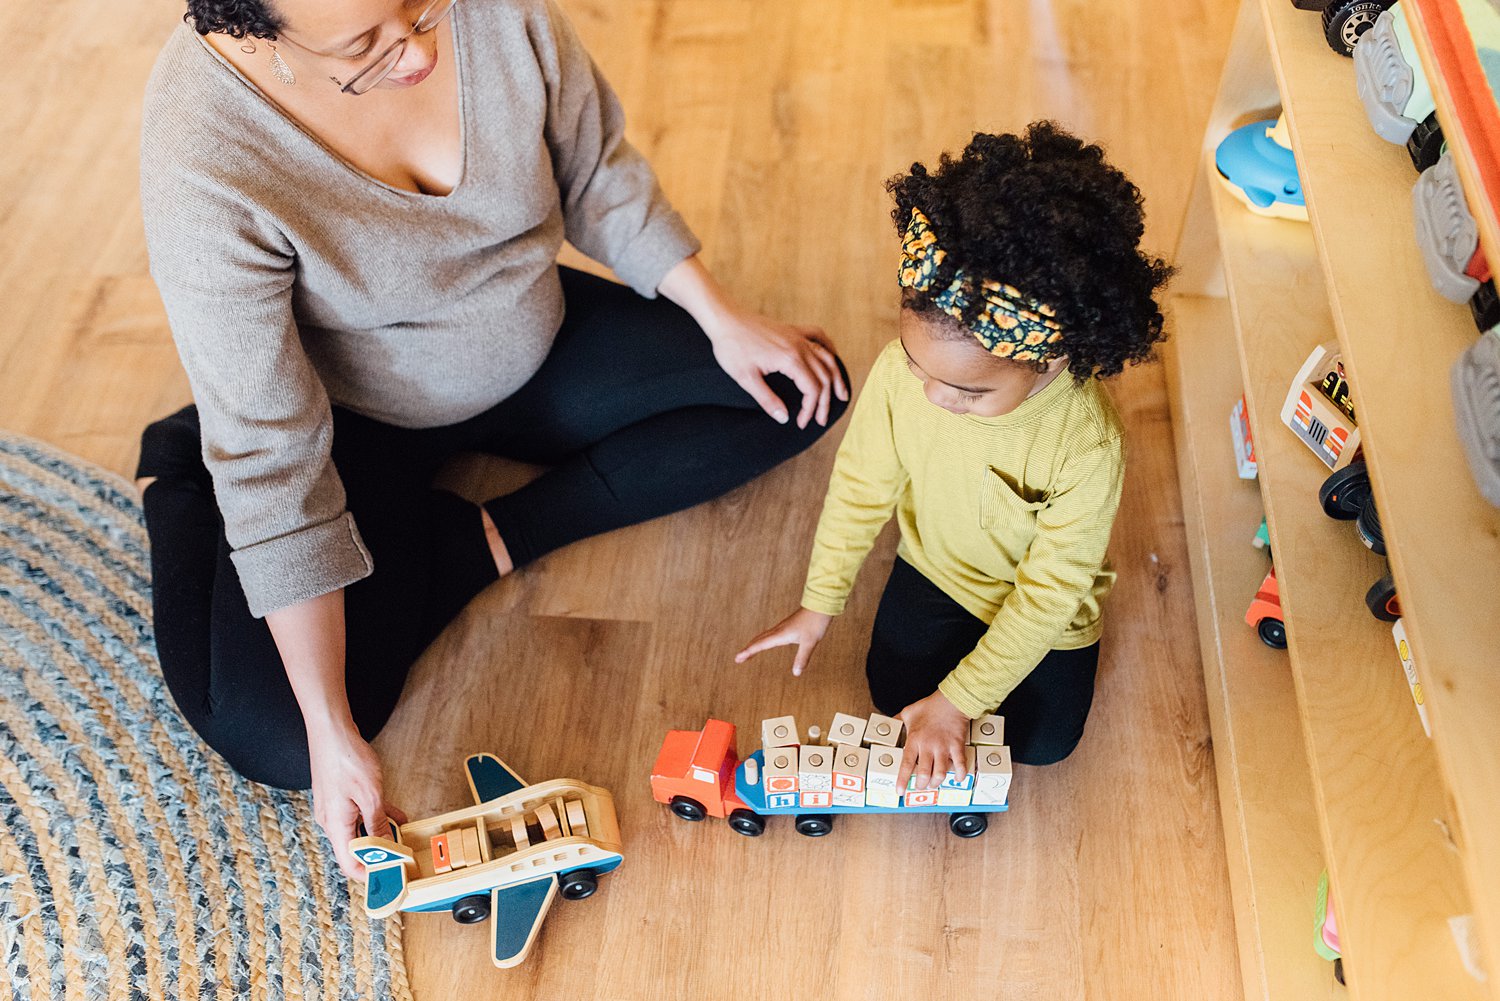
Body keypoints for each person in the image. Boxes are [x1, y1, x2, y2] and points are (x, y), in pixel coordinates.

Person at [135, 0, 848, 878]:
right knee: (279, 736)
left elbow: (594, 173)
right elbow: (273, 451)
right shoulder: (202, 153)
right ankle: (184, 460)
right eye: (364, 47)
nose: (413, 55)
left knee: (798, 388)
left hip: (525, 337)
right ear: (255, 32)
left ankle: (487, 539)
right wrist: (331, 729)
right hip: (347, 415)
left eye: (420, 10)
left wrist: (720, 314)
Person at [736, 124, 1172, 794]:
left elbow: (1050, 590)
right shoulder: (899, 375)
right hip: (937, 567)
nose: (934, 397)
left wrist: (960, 701)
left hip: (1043, 606)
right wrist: (819, 602)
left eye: (969, 390)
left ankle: (973, 693)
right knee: (891, 693)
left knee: (1046, 743)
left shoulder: (1089, 443)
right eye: (917, 365)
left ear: (1051, 357)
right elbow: (861, 485)